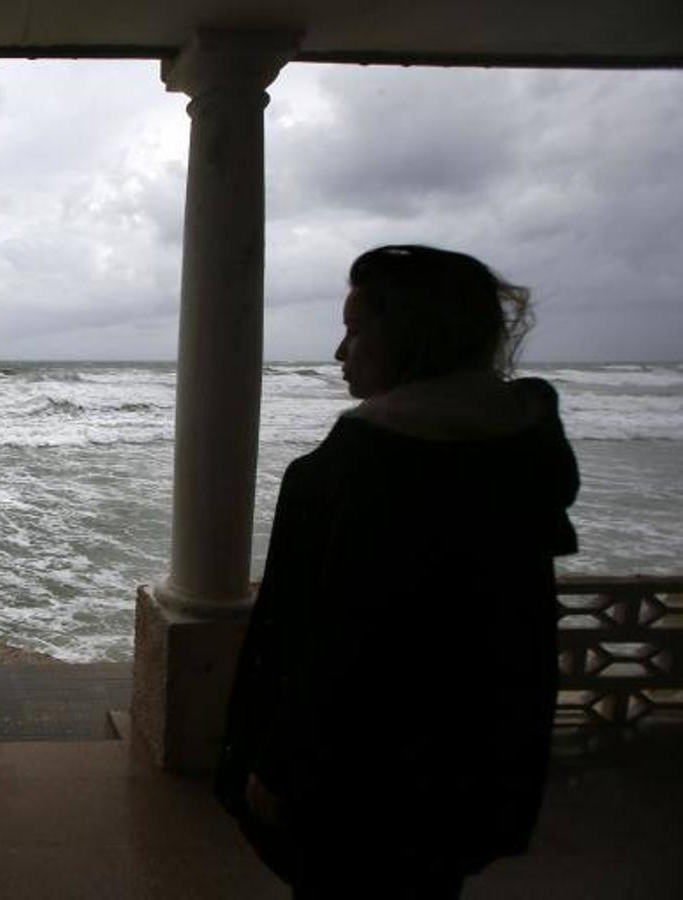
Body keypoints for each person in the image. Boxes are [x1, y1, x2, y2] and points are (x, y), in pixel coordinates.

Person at [213, 245, 579, 898]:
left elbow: (324, 644)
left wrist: (275, 765)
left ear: (412, 335)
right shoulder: (524, 456)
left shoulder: (346, 473)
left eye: (355, 329)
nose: (338, 352)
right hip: (474, 772)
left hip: (352, 779)